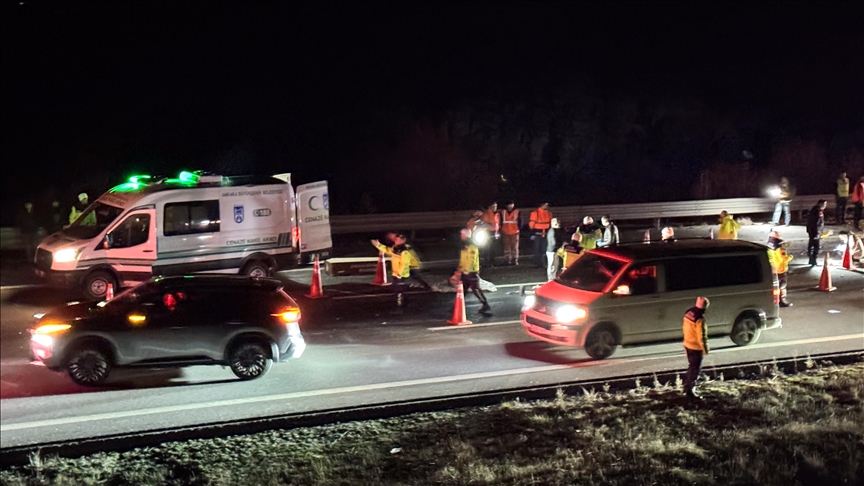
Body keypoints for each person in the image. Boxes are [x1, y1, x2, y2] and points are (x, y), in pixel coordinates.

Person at [456, 229, 492, 316]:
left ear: (466, 235)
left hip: (471, 271)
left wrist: (466, 270)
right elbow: (462, 259)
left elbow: (471, 260)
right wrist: (459, 269)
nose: (461, 236)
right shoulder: (464, 246)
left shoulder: (472, 247)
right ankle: (458, 305)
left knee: (475, 289)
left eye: (462, 234)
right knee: (463, 289)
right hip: (465, 271)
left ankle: (485, 304)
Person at [371, 237, 414, 307]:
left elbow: (404, 264)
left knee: (399, 291)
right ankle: (402, 303)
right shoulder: (395, 249)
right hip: (396, 274)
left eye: (398, 239)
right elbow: (387, 250)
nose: (395, 240)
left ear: (402, 241)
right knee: (397, 290)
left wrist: (399, 274)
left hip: (401, 275)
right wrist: (378, 245)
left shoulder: (405, 252)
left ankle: (400, 305)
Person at [682, 296, 710, 400]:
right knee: (695, 369)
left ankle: (687, 386)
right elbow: (701, 336)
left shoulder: (688, 313)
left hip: (688, 344)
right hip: (695, 347)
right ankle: (690, 391)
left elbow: (685, 329)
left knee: (691, 367)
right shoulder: (700, 319)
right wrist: (705, 348)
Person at [767, 230, 794, 307]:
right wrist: (789, 257)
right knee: (782, 286)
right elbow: (781, 260)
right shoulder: (776, 248)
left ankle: (777, 301)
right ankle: (781, 300)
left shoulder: (771, 247)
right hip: (779, 270)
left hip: (776, 270)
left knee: (777, 287)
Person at [528, 202, 552, 267]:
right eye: (545, 205)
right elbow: (531, 225)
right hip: (537, 234)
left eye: (547, 205)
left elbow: (550, 223)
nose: (546, 206)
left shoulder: (549, 213)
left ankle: (542, 263)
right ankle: (536, 263)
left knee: (544, 249)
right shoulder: (535, 213)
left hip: (546, 234)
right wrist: (532, 233)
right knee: (537, 249)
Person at [806, 199, 827, 266]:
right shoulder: (817, 211)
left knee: (811, 244)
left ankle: (811, 259)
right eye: (824, 204)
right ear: (820, 204)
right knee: (815, 246)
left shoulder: (815, 210)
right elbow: (816, 223)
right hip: (815, 231)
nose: (825, 206)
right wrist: (817, 233)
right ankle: (813, 259)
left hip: (812, 230)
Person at [499, 201, 521, 265]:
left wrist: (518, 229)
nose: (510, 206)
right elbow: (500, 221)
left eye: (511, 204)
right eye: (509, 205)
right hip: (505, 232)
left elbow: (520, 221)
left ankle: (514, 259)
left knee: (514, 247)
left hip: (514, 232)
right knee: (507, 247)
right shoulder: (503, 212)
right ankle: (507, 259)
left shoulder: (517, 212)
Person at [480, 202, 500, 267]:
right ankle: (486, 261)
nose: (495, 208)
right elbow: (483, 224)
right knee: (487, 247)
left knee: (493, 247)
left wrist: (497, 230)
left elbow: (497, 223)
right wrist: (489, 225)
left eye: (496, 206)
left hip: (495, 232)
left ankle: (492, 260)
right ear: (490, 207)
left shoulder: (497, 214)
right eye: (493, 206)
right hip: (488, 232)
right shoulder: (486, 214)